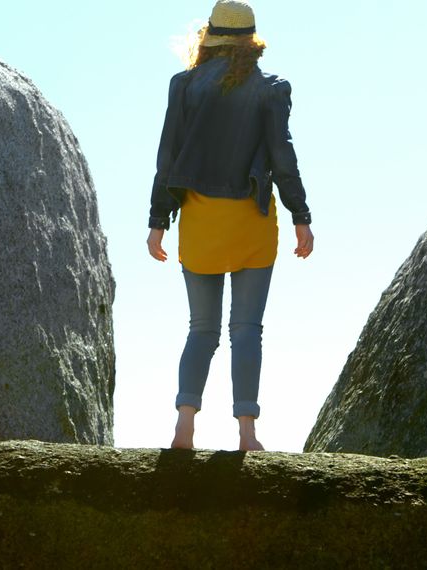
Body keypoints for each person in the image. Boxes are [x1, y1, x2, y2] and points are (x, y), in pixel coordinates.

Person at [146, 0, 314, 452]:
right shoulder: (270, 89)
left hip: (200, 221)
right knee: (246, 330)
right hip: (251, 221)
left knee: (201, 328)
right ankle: (247, 433)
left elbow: (168, 155)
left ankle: (184, 425)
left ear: (210, 39)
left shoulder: (182, 87)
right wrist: (302, 216)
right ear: (250, 43)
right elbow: (283, 158)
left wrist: (158, 220)